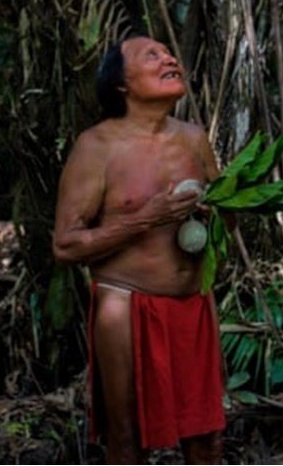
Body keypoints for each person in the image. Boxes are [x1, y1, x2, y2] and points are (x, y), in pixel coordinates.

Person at [52, 36, 226, 464]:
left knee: (206, 441)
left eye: (169, 52)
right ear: (122, 85)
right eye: (153, 55)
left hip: (193, 306)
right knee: (127, 441)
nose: (170, 58)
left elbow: (225, 225)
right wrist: (147, 218)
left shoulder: (194, 139)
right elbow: (66, 245)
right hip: (125, 307)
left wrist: (216, 212)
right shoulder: (96, 147)